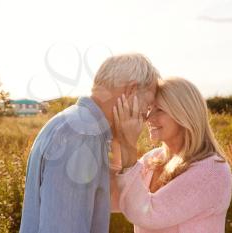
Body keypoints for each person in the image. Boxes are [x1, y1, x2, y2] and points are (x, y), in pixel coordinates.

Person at [19, 53, 160, 233]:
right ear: (131, 91)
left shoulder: (73, 123)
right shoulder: (83, 136)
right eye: (147, 106)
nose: (146, 117)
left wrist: (124, 144)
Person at [110, 77, 232, 233]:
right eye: (149, 108)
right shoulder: (153, 159)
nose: (148, 117)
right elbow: (118, 198)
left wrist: (128, 144)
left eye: (159, 109)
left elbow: (147, 214)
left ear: (184, 114)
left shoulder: (213, 172)